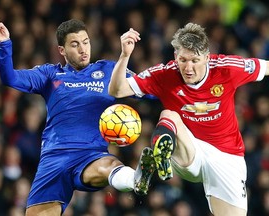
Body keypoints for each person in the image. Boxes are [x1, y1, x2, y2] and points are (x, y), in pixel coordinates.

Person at [0, 19, 156, 216]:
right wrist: (4, 45)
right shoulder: (50, 74)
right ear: (62, 50)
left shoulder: (108, 71)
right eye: (75, 44)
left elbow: (150, 89)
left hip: (90, 155)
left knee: (109, 166)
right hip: (53, 160)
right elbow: (11, 78)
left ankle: (136, 179)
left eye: (86, 42)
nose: (83, 49)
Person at [108, 22, 269, 216]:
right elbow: (117, 90)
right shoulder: (164, 73)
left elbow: (266, 66)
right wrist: (125, 55)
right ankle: (162, 156)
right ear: (176, 56)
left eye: (194, 60)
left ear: (207, 58)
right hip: (188, 151)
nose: (188, 67)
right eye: (183, 60)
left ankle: (161, 154)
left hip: (226, 155)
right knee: (169, 115)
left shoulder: (227, 68)